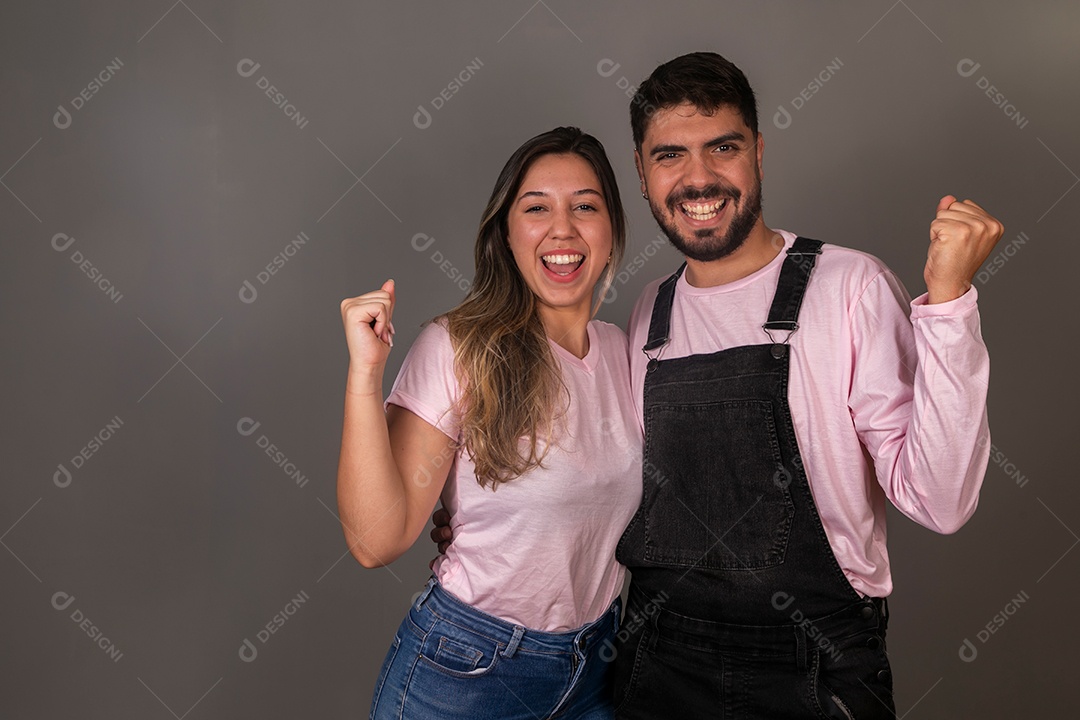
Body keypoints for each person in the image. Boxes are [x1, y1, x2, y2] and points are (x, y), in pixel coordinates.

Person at [608, 52, 1003, 718]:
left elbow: (941, 500)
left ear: (758, 153)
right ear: (643, 174)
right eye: (670, 155)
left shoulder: (849, 287)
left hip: (814, 669)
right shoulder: (651, 312)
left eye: (723, 147)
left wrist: (949, 302)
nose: (698, 178)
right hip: (657, 663)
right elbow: (616, 486)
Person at [336, 127, 643, 720]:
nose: (562, 229)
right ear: (506, 233)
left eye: (585, 206)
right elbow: (375, 541)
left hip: (596, 666)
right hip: (469, 672)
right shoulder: (458, 348)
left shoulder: (624, 351)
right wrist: (365, 374)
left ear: (611, 233)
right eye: (536, 208)